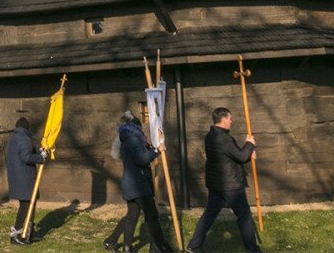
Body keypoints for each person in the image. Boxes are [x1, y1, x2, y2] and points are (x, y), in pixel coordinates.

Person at [185, 107, 260, 253]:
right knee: (244, 215)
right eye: (230, 118)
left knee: (210, 213)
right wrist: (250, 144)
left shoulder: (210, 136)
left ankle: (194, 245)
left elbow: (230, 157)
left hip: (216, 183)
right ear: (224, 119)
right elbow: (241, 156)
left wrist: (248, 153)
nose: (231, 121)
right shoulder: (223, 138)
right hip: (230, 184)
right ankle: (253, 249)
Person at [103, 111, 173, 253]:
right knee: (152, 216)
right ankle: (159, 248)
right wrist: (157, 151)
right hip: (138, 185)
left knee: (132, 216)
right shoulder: (134, 140)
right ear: (136, 128)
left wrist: (151, 149)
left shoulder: (128, 139)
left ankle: (126, 248)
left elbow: (139, 155)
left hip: (132, 184)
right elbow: (142, 159)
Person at [6, 117, 47, 245]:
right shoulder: (25, 139)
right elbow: (26, 157)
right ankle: (18, 235)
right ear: (26, 128)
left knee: (27, 206)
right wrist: (41, 157)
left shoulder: (14, 138)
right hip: (25, 179)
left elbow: (25, 150)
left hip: (18, 179)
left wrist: (38, 150)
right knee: (26, 207)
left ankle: (27, 234)